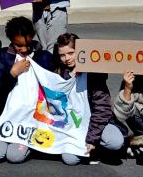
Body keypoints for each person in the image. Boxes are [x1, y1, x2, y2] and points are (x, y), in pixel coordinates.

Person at [0, 16, 55, 164]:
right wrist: (12, 73)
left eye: (27, 44)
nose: (24, 49)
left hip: (31, 120)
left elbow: (56, 83)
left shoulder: (44, 57)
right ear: (11, 40)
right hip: (8, 119)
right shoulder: (4, 57)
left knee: (14, 156)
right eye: (19, 45)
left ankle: (31, 144)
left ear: (33, 37)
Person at [54, 33, 126, 165]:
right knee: (70, 159)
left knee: (115, 141)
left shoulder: (94, 73)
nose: (67, 59)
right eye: (62, 55)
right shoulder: (58, 73)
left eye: (71, 53)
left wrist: (92, 139)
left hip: (94, 122)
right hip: (73, 124)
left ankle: (95, 147)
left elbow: (102, 108)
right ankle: (88, 149)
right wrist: (69, 78)